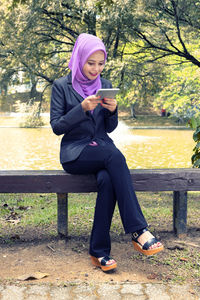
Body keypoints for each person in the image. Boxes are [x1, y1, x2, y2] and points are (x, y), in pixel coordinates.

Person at [50, 33, 164, 272]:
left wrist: (113, 111)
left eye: (100, 64)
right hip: (75, 153)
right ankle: (138, 230)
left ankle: (99, 251)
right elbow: (57, 127)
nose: (95, 69)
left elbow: (109, 128)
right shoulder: (62, 86)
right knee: (115, 156)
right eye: (90, 63)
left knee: (107, 179)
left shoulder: (104, 84)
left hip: (101, 148)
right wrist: (81, 109)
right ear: (79, 58)